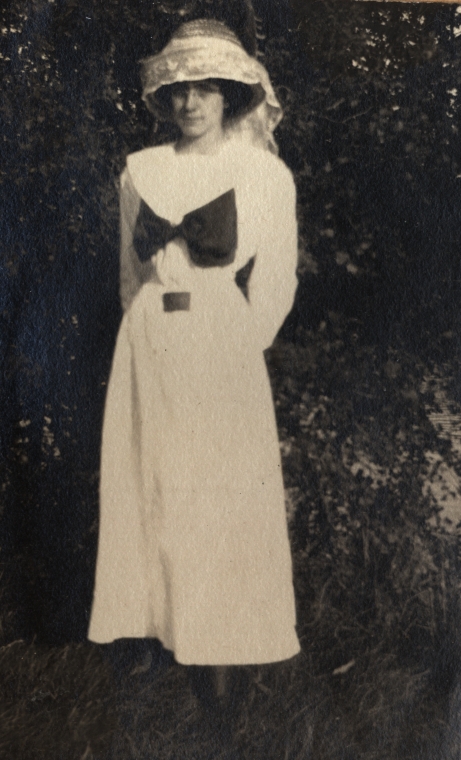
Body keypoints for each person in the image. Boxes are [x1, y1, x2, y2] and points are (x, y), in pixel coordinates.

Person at [88, 17, 300, 710]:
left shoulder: (263, 173)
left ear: (229, 95)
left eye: (204, 88)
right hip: (148, 343)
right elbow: (129, 275)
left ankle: (222, 674)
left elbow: (276, 280)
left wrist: (235, 345)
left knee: (218, 497)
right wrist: (147, 331)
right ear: (164, 98)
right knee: (153, 488)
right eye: (178, 89)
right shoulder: (139, 170)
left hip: (221, 342)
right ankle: (162, 634)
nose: (189, 102)